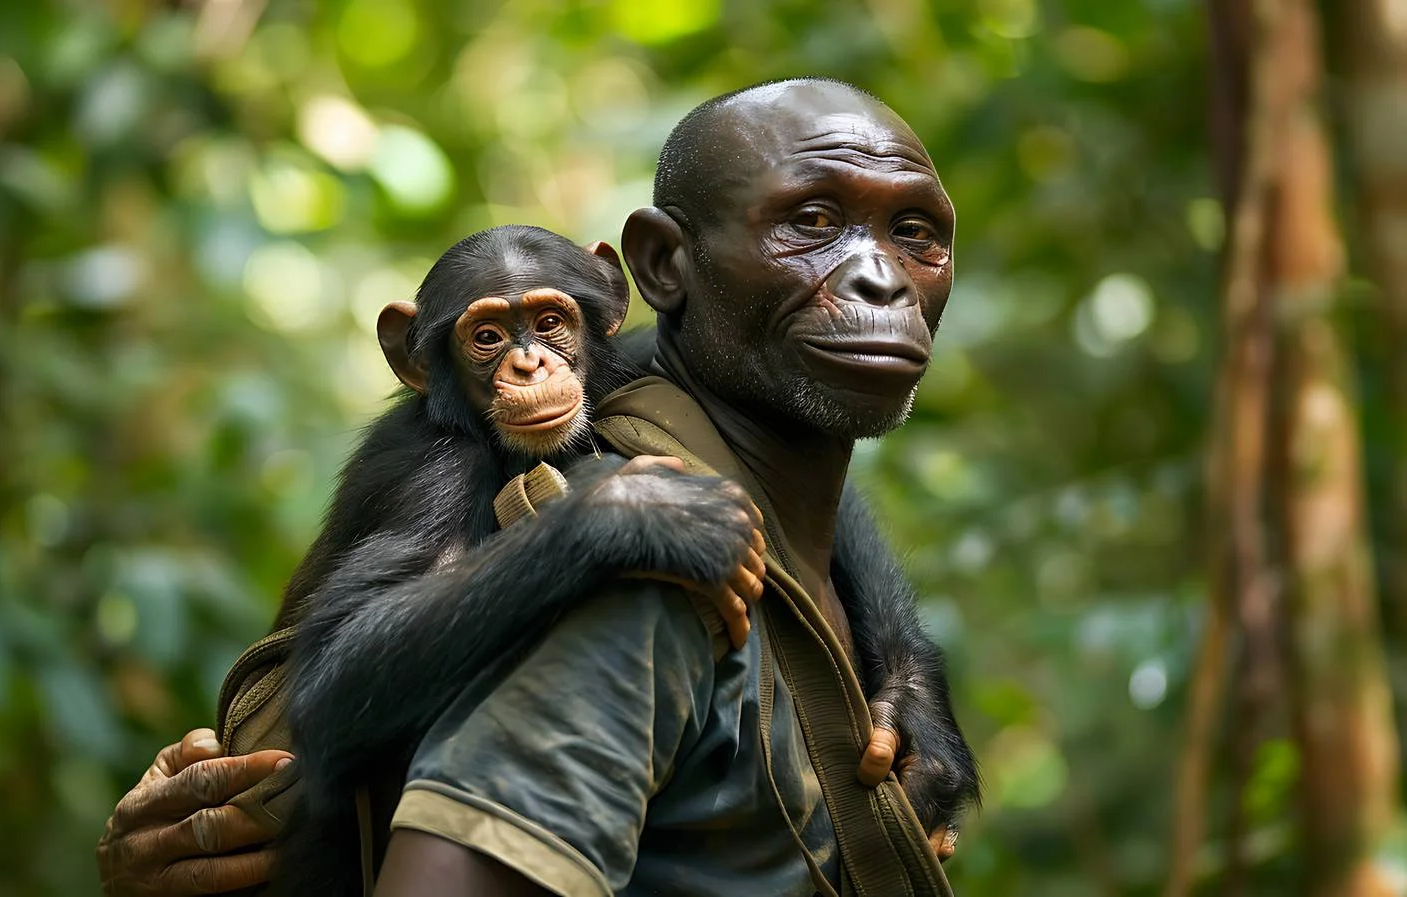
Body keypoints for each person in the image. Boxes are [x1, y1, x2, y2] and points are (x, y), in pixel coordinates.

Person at [100, 78, 961, 896]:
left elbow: (794, 481)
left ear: (605, 312)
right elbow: (333, 687)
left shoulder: (645, 406)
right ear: (664, 265)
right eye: (811, 221)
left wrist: (905, 659)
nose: (879, 275)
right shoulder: (500, 489)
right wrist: (590, 523)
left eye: (917, 231)